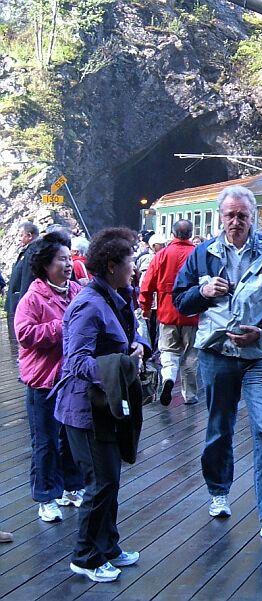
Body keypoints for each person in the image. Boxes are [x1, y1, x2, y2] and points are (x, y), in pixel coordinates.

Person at [173, 185, 262, 543]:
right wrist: (203, 292)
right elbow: (180, 300)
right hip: (217, 354)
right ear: (220, 217)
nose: (236, 222)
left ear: (254, 216)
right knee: (219, 426)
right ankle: (218, 490)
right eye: (230, 215)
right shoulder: (202, 255)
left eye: (242, 215)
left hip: (260, 355)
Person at [55, 227, 147, 583]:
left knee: (110, 479)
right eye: (129, 262)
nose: (134, 268)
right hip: (84, 411)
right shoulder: (88, 305)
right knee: (101, 482)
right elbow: (76, 361)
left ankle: (107, 546)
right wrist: (123, 364)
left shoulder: (114, 296)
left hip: (104, 406)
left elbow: (130, 334)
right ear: (111, 265)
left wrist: (139, 347)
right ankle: (86, 556)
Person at [14, 231, 84, 523]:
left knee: (71, 437)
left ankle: (72, 487)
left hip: (72, 379)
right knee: (45, 441)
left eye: (69, 258)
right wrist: (62, 326)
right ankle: (46, 497)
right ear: (45, 264)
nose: (68, 264)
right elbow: (25, 334)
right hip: (42, 380)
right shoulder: (33, 297)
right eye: (61, 259)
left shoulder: (77, 290)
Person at [138, 219, 200, 406]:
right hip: (192, 314)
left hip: (167, 312)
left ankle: (168, 377)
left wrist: (146, 308)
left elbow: (147, 285)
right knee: (190, 355)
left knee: (168, 351)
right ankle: (190, 395)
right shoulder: (198, 254)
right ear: (191, 234)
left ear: (173, 234)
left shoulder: (162, 255)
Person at [5, 221, 40, 327]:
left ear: (29, 236)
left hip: (21, 305)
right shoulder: (27, 251)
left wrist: (23, 305)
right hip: (16, 302)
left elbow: (27, 280)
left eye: (21, 235)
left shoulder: (33, 252)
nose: (19, 238)